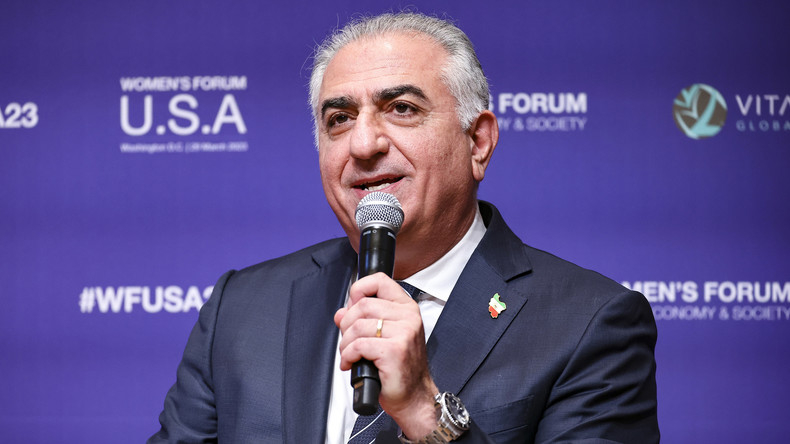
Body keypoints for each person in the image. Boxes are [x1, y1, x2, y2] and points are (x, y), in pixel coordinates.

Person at [149, 12, 659, 444]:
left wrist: (424, 411)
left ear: (478, 143)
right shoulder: (241, 308)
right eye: (339, 118)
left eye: (402, 109)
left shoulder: (590, 324)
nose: (363, 143)